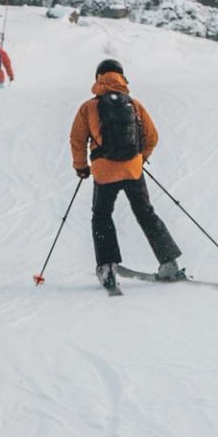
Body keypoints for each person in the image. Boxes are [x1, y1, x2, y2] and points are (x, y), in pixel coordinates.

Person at [68, 57, 183, 293]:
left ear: (98, 78)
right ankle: (169, 263)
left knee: (102, 216)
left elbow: (77, 139)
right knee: (146, 214)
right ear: (121, 77)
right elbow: (152, 137)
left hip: (104, 172)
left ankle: (108, 268)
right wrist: (141, 159)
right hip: (133, 170)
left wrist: (81, 167)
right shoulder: (134, 104)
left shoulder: (89, 107)